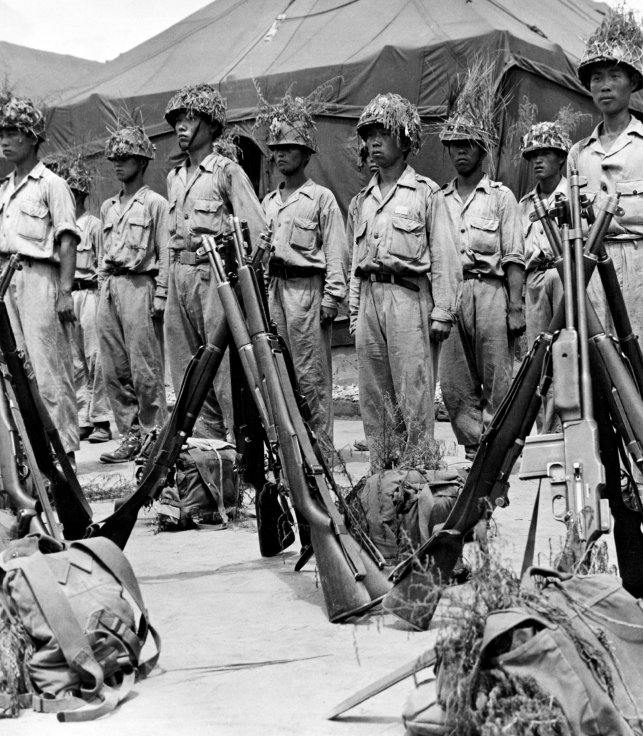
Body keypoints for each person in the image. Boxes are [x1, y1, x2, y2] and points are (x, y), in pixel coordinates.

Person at [568, 7, 643, 407]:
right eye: (596, 78)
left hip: (642, 261)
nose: (605, 86)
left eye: (614, 76)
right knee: (596, 366)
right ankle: (606, 465)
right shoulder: (578, 153)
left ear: (633, 83)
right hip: (593, 266)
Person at [348, 93, 460, 467]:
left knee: (413, 393)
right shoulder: (361, 200)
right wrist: (353, 312)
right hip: (369, 300)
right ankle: (382, 478)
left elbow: (445, 255)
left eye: (384, 133)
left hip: (409, 299)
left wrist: (443, 310)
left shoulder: (425, 194)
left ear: (406, 140)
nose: (374, 142)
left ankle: (417, 480)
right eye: (370, 135)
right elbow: (354, 263)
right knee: (374, 396)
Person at [164, 84, 265, 440]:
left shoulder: (226, 172)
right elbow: (169, 240)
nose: (181, 126)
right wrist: (165, 289)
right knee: (187, 373)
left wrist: (242, 289)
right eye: (177, 119)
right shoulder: (174, 178)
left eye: (189, 118)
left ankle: (239, 453)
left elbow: (258, 231)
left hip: (214, 278)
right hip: (180, 278)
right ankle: (206, 459)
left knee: (224, 374)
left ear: (210, 125)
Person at [437, 64, 526, 456]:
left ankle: (498, 449)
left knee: (498, 376)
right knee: (454, 381)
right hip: (452, 293)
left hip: (490, 292)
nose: (460, 152)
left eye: (467, 145)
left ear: (483, 149)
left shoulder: (500, 197)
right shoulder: (437, 200)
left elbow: (514, 256)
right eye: (454, 145)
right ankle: (473, 447)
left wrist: (516, 306)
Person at [0, 91, 81, 456]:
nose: (5, 141)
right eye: (1, 134)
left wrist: (64, 290)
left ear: (31, 136)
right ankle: (35, 456)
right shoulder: (5, 189)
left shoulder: (51, 185)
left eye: (13, 133)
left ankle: (65, 455)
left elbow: (67, 239)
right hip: (10, 280)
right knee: (17, 370)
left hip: (41, 279)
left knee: (49, 371)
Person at [257, 91, 348, 456]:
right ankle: (290, 453)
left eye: (289, 149)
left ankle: (322, 454)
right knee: (278, 375)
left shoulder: (321, 198)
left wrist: (332, 299)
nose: (280, 155)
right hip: (275, 291)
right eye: (276, 148)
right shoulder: (267, 201)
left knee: (311, 378)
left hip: (307, 294)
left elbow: (336, 251)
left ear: (306, 154)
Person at [97, 124, 170, 464]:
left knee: (145, 369)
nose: (117, 164)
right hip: (111, 287)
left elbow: (165, 251)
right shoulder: (108, 207)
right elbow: (102, 251)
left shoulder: (156, 204)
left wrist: (162, 294)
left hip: (141, 285)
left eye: (125, 158)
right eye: (115, 158)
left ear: (141, 162)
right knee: (114, 369)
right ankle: (129, 436)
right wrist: (102, 288)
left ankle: (154, 437)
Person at [47, 155, 112, 445]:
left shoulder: (93, 225)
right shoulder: (60, 227)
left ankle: (101, 419)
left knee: (95, 356)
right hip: (69, 294)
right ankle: (83, 417)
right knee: (73, 361)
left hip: (91, 293)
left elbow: (104, 260)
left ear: (81, 194)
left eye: (72, 192)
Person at [518, 112, 574, 432]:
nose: (538, 160)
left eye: (546, 153)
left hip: (564, 275)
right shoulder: (525, 204)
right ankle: (545, 431)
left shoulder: (574, 196)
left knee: (568, 351)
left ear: (561, 158)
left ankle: (568, 428)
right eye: (533, 155)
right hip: (535, 279)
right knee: (538, 356)